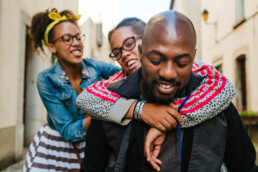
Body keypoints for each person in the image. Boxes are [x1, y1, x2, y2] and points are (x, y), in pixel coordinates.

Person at [80, 11, 257, 172]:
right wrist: (140, 110)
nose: (169, 72)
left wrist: (173, 119)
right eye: (156, 60)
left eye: (181, 63)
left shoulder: (214, 96)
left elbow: (245, 166)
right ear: (143, 52)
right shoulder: (108, 99)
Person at [23, 8, 120, 171]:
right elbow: (68, 132)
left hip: (93, 144)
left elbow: (125, 76)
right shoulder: (46, 80)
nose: (76, 43)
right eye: (67, 39)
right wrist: (103, 110)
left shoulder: (94, 66)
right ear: (52, 47)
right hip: (56, 148)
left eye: (78, 37)